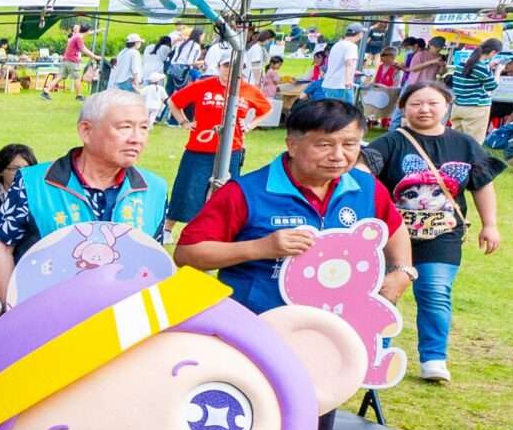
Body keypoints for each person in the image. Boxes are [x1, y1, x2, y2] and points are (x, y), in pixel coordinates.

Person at [174, 98, 410, 318]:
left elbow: (394, 227)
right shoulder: (246, 192)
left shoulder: (366, 186)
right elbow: (187, 253)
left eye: (350, 144)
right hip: (260, 324)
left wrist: (402, 270)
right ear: (293, 145)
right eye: (324, 145)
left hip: (341, 324)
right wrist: (260, 247)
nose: (338, 156)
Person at [357, 78, 503, 383]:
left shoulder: (464, 144)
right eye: (416, 103)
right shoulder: (391, 141)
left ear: (447, 106)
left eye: (432, 103)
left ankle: (434, 359)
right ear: (403, 108)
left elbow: (482, 184)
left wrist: (490, 225)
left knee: (435, 292)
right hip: (394, 236)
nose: (424, 109)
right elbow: (362, 171)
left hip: (442, 235)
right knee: (385, 293)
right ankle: (376, 353)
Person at [0, 90, 165, 304]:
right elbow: (1, 246)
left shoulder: (154, 189)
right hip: (49, 312)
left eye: (144, 128)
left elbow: (154, 259)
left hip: (124, 316)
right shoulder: (34, 182)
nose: (136, 139)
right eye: (124, 127)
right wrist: (16, 308)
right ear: (86, 131)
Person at [165, 62, 273, 225]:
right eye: (225, 66)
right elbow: (174, 102)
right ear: (218, 67)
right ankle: (168, 229)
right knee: (188, 188)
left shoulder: (247, 90)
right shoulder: (203, 85)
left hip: (231, 149)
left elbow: (267, 109)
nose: (229, 70)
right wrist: (184, 122)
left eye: (233, 66)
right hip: (200, 147)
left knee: (226, 193)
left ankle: (215, 229)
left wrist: (250, 124)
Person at [448, 38, 503, 139]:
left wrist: (488, 67)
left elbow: (473, 74)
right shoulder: (482, 68)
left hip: (458, 106)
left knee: (455, 140)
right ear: (493, 52)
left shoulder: (463, 63)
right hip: (476, 108)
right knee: (474, 141)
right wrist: (498, 71)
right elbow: (492, 86)